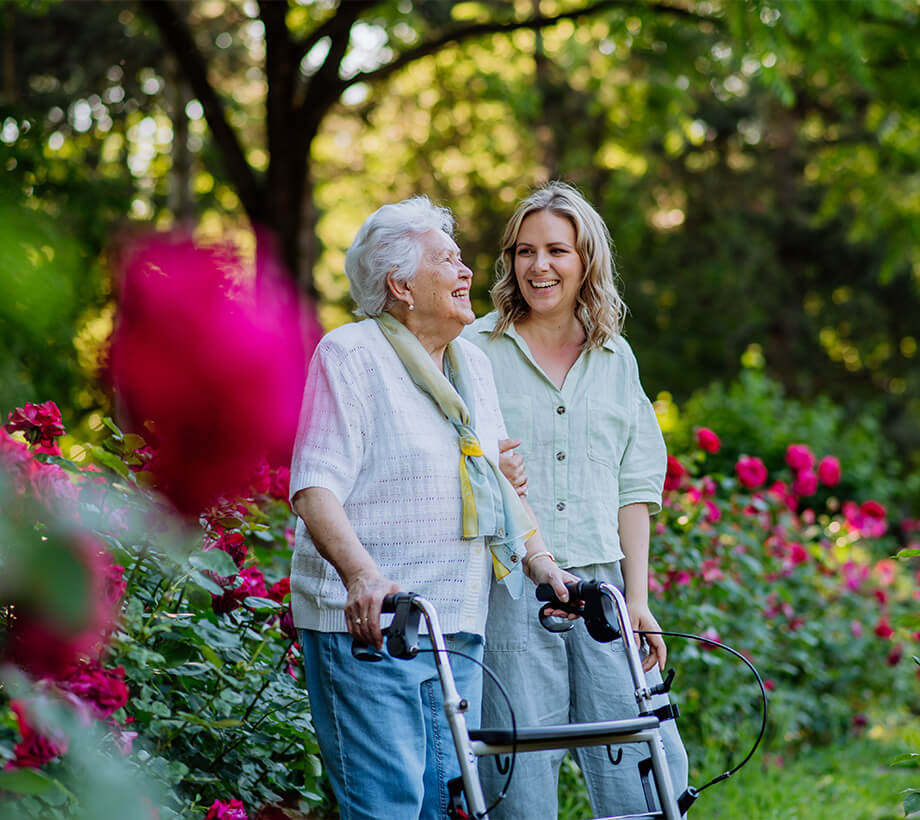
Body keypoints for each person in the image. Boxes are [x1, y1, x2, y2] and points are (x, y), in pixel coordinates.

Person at [288, 195, 574, 820]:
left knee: (450, 807)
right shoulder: (353, 355)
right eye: (447, 260)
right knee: (390, 806)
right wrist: (362, 575)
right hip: (373, 628)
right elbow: (314, 486)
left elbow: (496, 483)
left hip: (455, 626)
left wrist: (542, 563)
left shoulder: (470, 362)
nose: (467, 271)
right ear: (400, 285)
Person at [464, 182, 689, 818]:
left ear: (586, 259)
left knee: (643, 768)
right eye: (525, 251)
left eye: (557, 250)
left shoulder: (616, 359)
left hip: (602, 590)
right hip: (510, 588)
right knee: (517, 770)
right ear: (509, 260)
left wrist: (637, 600)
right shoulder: (474, 352)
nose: (540, 267)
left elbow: (635, 488)